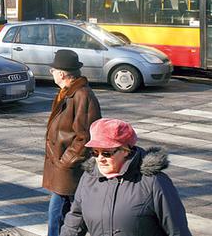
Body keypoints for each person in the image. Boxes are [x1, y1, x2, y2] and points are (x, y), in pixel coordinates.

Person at [61, 118, 191, 236]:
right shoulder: (88, 178)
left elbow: (177, 230)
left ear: (125, 151)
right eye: (95, 152)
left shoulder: (154, 182)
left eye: (106, 153)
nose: (100, 159)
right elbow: (74, 222)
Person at [43, 49, 102, 236]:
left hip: (68, 169)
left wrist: (65, 162)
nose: (51, 74)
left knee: (57, 215)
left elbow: (85, 137)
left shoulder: (81, 95)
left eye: (52, 71)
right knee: (66, 215)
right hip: (61, 167)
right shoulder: (66, 93)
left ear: (61, 73)